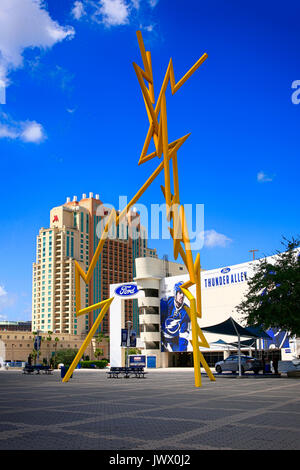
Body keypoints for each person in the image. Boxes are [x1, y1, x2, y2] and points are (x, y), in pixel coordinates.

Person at [161, 281, 191, 352]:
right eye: (180, 293)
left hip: (175, 339)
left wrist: (182, 354)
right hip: (162, 336)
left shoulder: (186, 311)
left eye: (184, 293)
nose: (182, 296)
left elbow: (184, 335)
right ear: (175, 293)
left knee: (179, 352)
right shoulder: (165, 303)